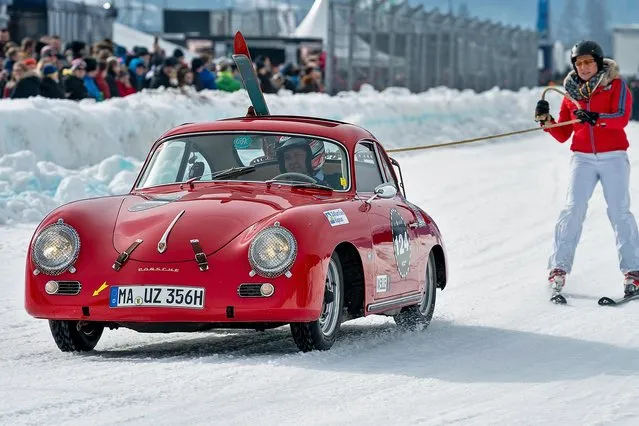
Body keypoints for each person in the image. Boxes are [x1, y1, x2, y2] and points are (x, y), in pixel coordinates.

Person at [535, 40, 639, 297]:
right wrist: (546, 122)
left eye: (588, 62)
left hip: (613, 156)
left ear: (598, 62)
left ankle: (633, 271)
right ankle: (558, 268)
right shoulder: (571, 92)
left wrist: (597, 119)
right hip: (582, 158)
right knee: (572, 209)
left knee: (619, 211)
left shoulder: (616, 85)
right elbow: (563, 133)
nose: (583, 67)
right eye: (579, 63)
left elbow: (622, 117)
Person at [274, 137, 341, 189]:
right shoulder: (278, 188)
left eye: (297, 155)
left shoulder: (337, 181)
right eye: (287, 157)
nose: (292, 161)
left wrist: (320, 186)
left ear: (312, 156)